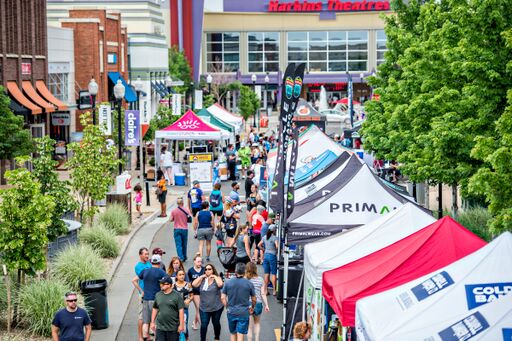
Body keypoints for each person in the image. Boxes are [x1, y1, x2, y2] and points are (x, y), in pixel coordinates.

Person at [132, 254, 167, 340]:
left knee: (146, 322)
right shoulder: (161, 272)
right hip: (156, 300)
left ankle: (144, 338)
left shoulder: (145, 271)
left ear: (151, 262)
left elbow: (134, 280)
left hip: (146, 299)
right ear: (159, 262)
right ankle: (155, 338)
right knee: (156, 322)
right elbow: (168, 284)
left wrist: (141, 291)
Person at [221, 262, 256, 341]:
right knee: (240, 334)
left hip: (231, 311)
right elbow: (254, 299)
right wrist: (252, 307)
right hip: (243, 312)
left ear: (235, 271)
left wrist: (227, 306)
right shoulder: (249, 283)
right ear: (244, 272)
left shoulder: (228, 282)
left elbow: (222, 297)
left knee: (233, 333)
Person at [192, 263, 224, 341]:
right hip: (204, 308)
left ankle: (217, 338)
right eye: (205, 269)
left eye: (209, 269)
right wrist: (201, 276)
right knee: (204, 325)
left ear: (213, 270)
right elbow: (194, 284)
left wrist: (215, 277)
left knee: (216, 323)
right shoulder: (203, 279)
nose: (207, 271)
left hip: (216, 307)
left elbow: (220, 285)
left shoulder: (217, 278)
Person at [150, 275, 185, 341]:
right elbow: (155, 308)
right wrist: (152, 322)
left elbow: (181, 311)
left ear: (169, 285)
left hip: (173, 328)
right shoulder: (158, 294)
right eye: (160, 283)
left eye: (163, 284)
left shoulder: (177, 296)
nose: (161, 285)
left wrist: (181, 325)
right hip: (160, 327)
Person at [245, 262, 269, 341]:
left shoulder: (245, 279)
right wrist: (266, 305)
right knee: (257, 323)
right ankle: (257, 339)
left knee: (249, 326)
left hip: (247, 304)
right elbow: (263, 293)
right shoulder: (260, 279)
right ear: (255, 269)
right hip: (258, 303)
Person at [134, 247, 152, 341]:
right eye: (145, 254)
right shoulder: (138, 266)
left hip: (151, 293)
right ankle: (140, 337)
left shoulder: (149, 263)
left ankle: (147, 335)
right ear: (140, 255)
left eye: (148, 254)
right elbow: (136, 280)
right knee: (141, 316)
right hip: (144, 294)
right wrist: (141, 291)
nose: (147, 256)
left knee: (149, 315)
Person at [258, 225, 278, 296]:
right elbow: (277, 246)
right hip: (272, 256)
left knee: (266, 274)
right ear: (274, 230)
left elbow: (259, 245)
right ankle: (274, 290)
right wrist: (276, 250)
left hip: (266, 255)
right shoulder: (275, 238)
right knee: (273, 273)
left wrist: (264, 249)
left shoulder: (264, 237)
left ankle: (266, 290)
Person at [174, 270, 194, 341]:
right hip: (174, 309)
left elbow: (192, 295)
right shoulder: (173, 285)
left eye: (183, 274)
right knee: (175, 325)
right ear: (176, 276)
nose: (182, 276)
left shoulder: (188, 285)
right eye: (180, 274)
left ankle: (186, 338)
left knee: (184, 325)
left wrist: (189, 300)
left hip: (184, 308)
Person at [170, 197, 191, 262]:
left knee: (178, 244)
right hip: (184, 229)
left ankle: (180, 257)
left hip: (177, 229)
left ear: (177, 203)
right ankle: (184, 256)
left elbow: (170, 219)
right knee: (184, 243)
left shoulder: (174, 211)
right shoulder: (186, 210)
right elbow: (189, 218)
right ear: (183, 203)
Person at [187, 254, 204, 331]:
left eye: (200, 262)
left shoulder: (204, 269)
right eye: (198, 262)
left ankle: (194, 322)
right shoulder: (190, 271)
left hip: (203, 292)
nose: (199, 263)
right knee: (199, 307)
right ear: (194, 262)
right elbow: (188, 282)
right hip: (195, 292)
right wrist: (189, 292)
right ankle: (203, 326)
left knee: (198, 309)